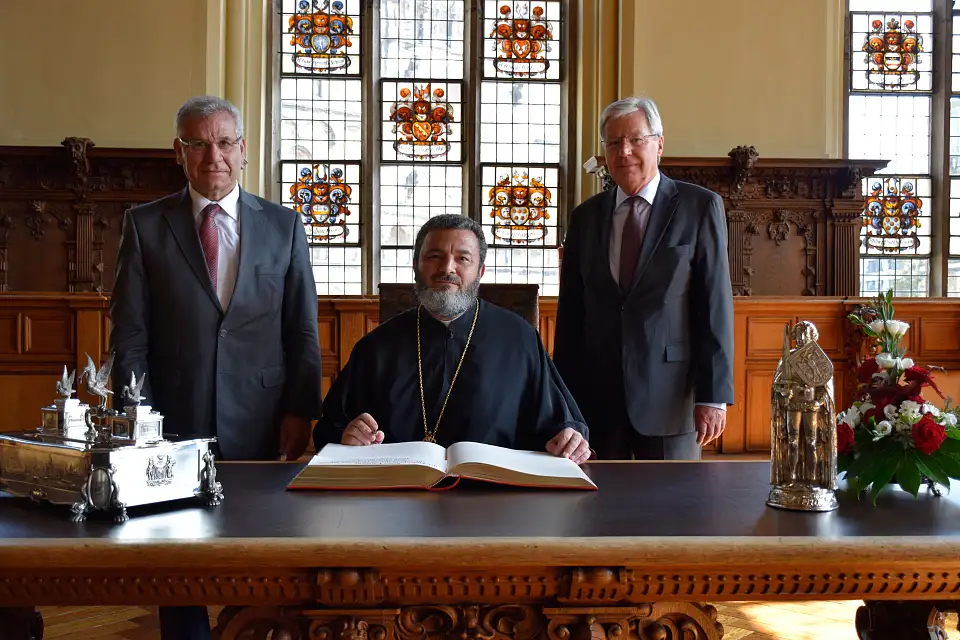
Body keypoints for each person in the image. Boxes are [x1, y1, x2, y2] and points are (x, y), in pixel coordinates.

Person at [110, 95, 323, 639]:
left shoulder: (283, 225)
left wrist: (302, 408)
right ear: (178, 152)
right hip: (171, 422)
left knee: (261, 551)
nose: (214, 157)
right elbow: (130, 334)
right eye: (199, 144)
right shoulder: (144, 225)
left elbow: (300, 327)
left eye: (225, 142)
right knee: (175, 559)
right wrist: (134, 419)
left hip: (262, 417)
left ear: (243, 150)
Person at [315, 214, 591, 464]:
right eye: (434, 256)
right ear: (416, 266)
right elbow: (332, 427)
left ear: (480, 271)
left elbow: (559, 422)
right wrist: (348, 435)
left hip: (497, 499)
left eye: (463, 258)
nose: (447, 268)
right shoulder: (376, 346)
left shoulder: (520, 339)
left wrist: (569, 438)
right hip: (398, 500)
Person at [553, 96, 734, 461]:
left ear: (659, 144)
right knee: (597, 512)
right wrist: (563, 405)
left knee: (674, 511)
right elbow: (571, 315)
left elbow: (713, 305)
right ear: (604, 152)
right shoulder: (585, 218)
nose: (625, 151)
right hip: (596, 402)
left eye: (636, 139)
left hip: (670, 397)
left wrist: (713, 395)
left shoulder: (699, 207)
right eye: (614, 142)